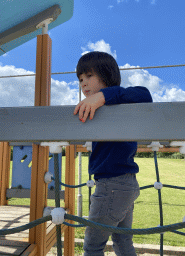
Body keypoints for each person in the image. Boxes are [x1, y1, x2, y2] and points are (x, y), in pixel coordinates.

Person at [74, 51, 153, 256]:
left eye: (89, 76)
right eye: (80, 79)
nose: (83, 83)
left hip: (112, 186)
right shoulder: (94, 109)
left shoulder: (120, 103)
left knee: (92, 246)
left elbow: (144, 94)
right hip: (125, 185)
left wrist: (103, 96)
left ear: (106, 75)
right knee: (123, 241)